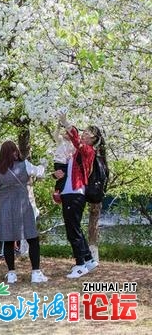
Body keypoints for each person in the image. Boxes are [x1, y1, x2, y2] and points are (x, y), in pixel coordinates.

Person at [0, 141, 48, 284]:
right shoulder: (24, 164)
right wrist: (44, 164)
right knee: (32, 238)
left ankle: (12, 274)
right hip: (23, 205)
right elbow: (39, 172)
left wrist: (0, 191)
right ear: (15, 151)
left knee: (8, 239)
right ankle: (35, 273)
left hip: (5, 206)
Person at [55, 113, 106, 278]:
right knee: (75, 228)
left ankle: (80, 265)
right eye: (84, 132)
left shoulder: (88, 150)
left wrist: (67, 124)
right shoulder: (78, 152)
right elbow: (71, 143)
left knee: (73, 231)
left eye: (88, 133)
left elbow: (76, 141)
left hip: (75, 193)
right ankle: (89, 260)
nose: (84, 134)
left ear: (93, 139)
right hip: (70, 192)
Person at [52, 126, 75, 204]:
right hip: (59, 162)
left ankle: (61, 192)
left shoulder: (73, 144)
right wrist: (58, 127)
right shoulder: (61, 140)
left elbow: (74, 153)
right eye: (67, 133)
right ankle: (57, 191)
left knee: (66, 177)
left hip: (67, 164)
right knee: (61, 176)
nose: (69, 135)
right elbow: (55, 135)